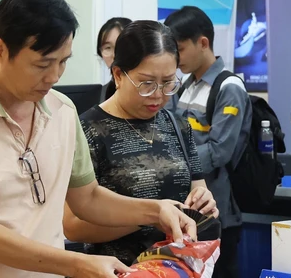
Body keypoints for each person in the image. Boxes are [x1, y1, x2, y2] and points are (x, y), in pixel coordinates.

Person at [0, 0, 195, 278]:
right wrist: (77, 264)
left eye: (63, 62)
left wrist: (156, 211)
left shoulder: (62, 110)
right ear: (0, 50)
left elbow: (87, 199)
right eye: (42, 64)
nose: (54, 77)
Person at [64, 20, 218, 266]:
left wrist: (202, 202)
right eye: (146, 83)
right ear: (118, 75)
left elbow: (196, 190)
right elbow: (73, 226)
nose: (158, 95)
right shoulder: (86, 131)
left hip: (177, 269)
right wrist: (153, 216)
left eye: (168, 83)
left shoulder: (177, 126)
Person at [164, 6, 251, 278]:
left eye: (180, 49)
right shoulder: (186, 87)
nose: (176, 58)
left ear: (203, 43)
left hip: (220, 213)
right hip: (189, 213)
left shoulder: (229, 88)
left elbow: (219, 152)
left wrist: (172, 164)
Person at [97, 17, 131, 101]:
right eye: (108, 48)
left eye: (121, 46)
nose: (114, 55)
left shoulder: (152, 92)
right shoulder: (97, 96)